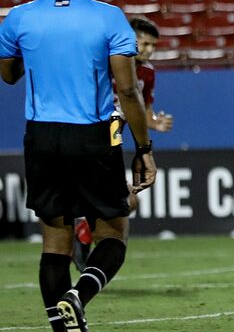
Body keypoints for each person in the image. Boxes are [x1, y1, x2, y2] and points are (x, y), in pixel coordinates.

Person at [0, 0, 157, 332]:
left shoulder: (19, 17)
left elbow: (8, 74)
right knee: (114, 230)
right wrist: (143, 147)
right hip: (92, 136)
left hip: (41, 137)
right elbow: (127, 88)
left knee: (55, 242)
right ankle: (80, 293)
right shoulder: (109, 18)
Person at [72, 16, 173, 271]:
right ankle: (82, 235)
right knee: (121, 202)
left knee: (129, 202)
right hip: (92, 136)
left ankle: (83, 233)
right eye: (145, 43)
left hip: (113, 141)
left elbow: (142, 109)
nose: (149, 50)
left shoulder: (148, 73)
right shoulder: (109, 60)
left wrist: (154, 123)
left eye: (153, 45)